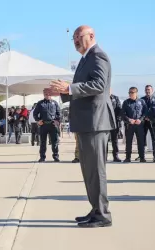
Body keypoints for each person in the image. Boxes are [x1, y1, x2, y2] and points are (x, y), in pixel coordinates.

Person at [51, 25, 115, 227]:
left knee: (96, 170)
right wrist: (62, 91)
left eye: (79, 37)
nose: (76, 41)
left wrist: (69, 87)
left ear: (92, 36)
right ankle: (95, 209)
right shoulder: (85, 58)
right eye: (74, 38)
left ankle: (103, 215)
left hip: (96, 122)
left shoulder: (98, 56)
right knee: (88, 170)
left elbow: (98, 85)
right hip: (86, 122)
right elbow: (82, 88)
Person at [33, 89, 60, 162]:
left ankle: (55, 156)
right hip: (43, 125)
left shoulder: (55, 103)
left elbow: (59, 113)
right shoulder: (40, 103)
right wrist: (38, 120)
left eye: (48, 94)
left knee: (54, 141)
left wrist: (57, 121)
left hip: (52, 125)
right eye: (45, 94)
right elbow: (35, 114)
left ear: (51, 94)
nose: (47, 95)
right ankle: (42, 157)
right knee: (43, 142)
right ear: (43, 94)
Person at [121, 87, 147, 163]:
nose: (131, 94)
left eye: (132, 92)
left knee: (141, 142)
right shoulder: (126, 102)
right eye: (129, 93)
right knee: (129, 142)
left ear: (136, 93)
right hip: (130, 125)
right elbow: (122, 114)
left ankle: (142, 157)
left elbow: (145, 112)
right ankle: (128, 157)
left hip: (139, 125)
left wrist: (141, 119)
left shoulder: (142, 101)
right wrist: (129, 120)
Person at [109, 89, 122, 162]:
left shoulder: (115, 98)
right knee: (104, 141)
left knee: (115, 140)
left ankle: (116, 156)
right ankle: (104, 156)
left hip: (114, 122)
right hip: (105, 122)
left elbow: (119, 109)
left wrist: (118, 120)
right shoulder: (103, 97)